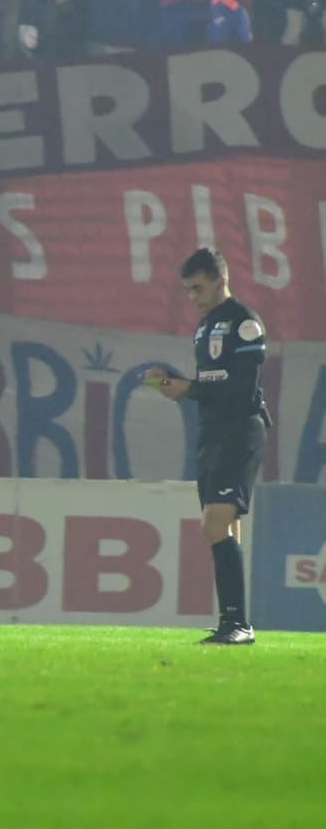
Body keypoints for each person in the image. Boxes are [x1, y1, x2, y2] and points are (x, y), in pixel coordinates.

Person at [142, 248, 266, 645]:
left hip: (239, 431)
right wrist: (173, 383)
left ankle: (238, 624)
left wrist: (188, 388)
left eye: (197, 288)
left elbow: (240, 389)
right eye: (187, 290)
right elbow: (212, 384)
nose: (192, 297)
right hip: (213, 434)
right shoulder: (205, 326)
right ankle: (234, 622)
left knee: (214, 524)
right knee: (224, 527)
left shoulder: (244, 323)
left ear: (219, 279)